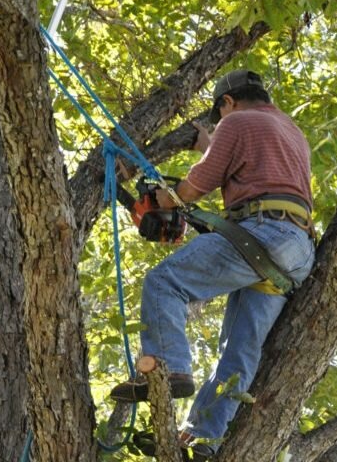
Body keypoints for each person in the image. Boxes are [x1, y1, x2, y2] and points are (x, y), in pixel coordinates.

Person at [110, 69, 316, 459]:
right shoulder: (290, 131)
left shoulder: (235, 122)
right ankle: (204, 438)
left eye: (220, 115)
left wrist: (160, 200)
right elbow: (249, 168)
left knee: (165, 282)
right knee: (237, 351)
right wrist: (210, 145)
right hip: (297, 249)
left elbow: (196, 185)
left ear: (227, 102)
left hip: (264, 233)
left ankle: (169, 367)